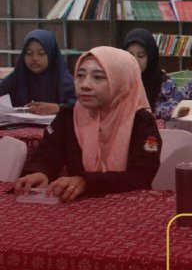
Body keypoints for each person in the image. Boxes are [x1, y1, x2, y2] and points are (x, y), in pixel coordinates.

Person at [14, 46, 161, 202]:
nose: (84, 85)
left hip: (131, 205)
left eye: (98, 77)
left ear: (121, 82)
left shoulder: (141, 121)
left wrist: (86, 182)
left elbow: (141, 175)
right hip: (76, 206)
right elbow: (47, 154)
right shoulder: (69, 115)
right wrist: (40, 172)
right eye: (80, 75)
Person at [0, 29, 76, 115]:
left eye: (41, 53)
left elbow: (80, 107)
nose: (34, 58)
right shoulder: (16, 77)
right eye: (29, 53)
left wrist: (58, 108)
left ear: (52, 55)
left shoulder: (65, 80)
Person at [122, 28, 178, 118]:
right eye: (130, 55)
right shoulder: (120, 82)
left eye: (141, 56)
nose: (135, 61)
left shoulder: (165, 85)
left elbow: (177, 110)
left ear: (151, 56)